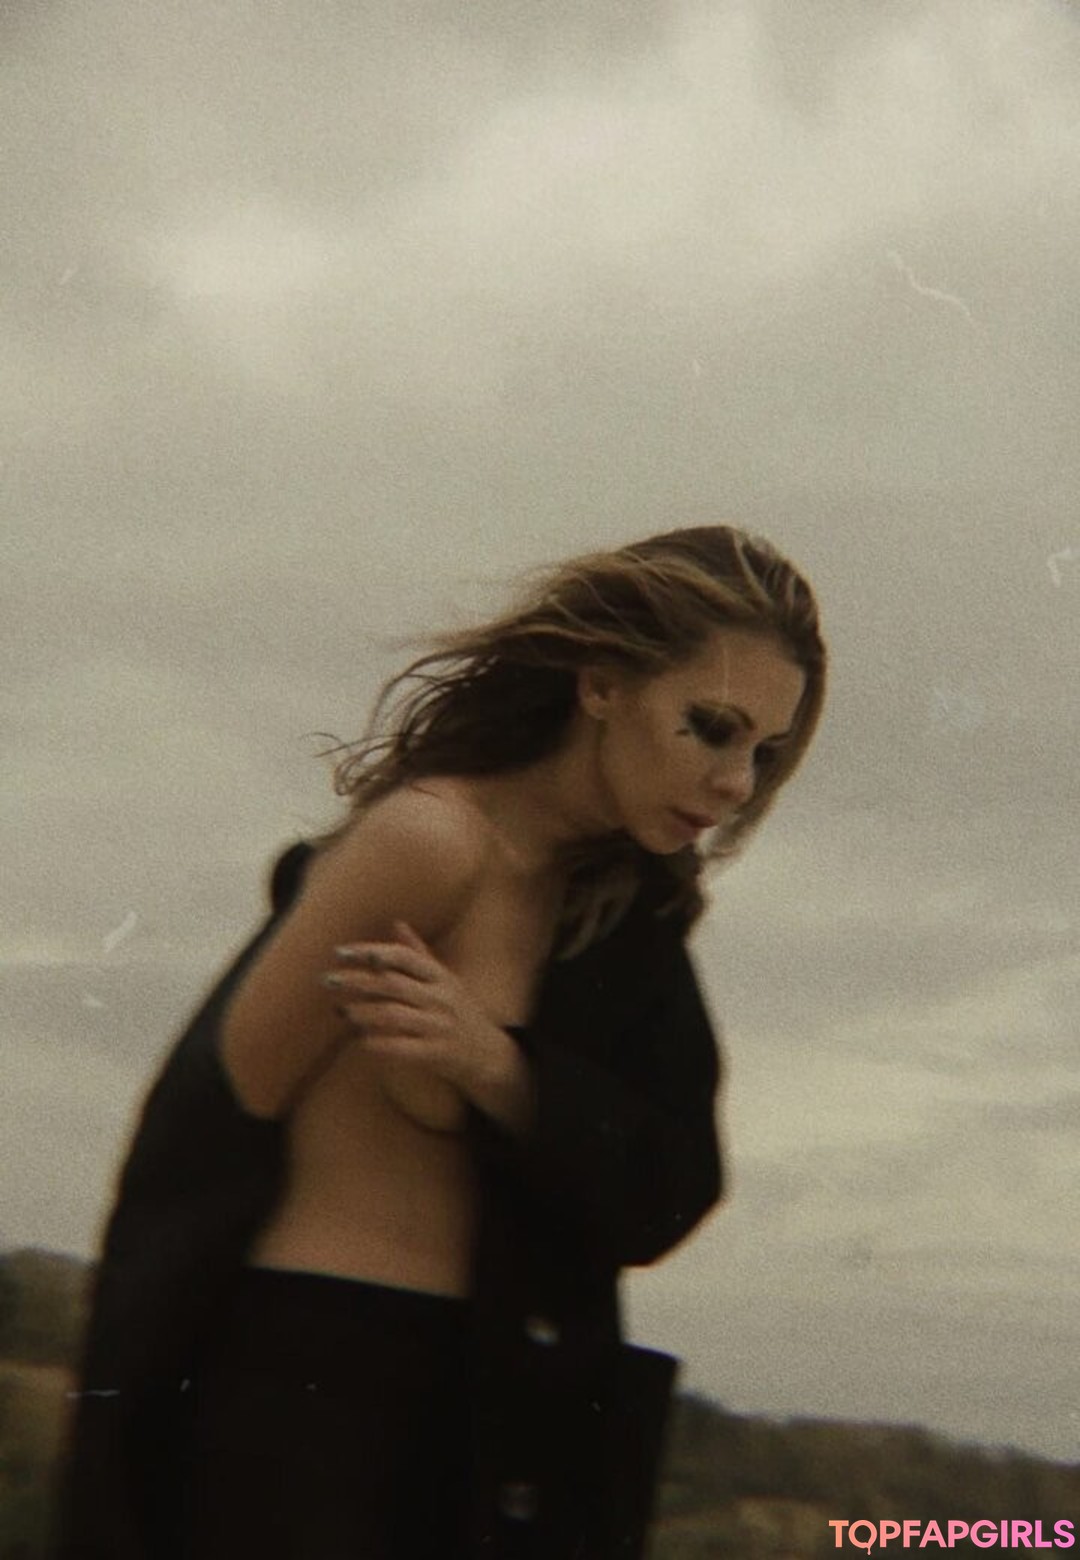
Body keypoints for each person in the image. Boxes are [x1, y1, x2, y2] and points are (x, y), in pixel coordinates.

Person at [51, 524, 826, 1559]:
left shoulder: (623, 918)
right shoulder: (429, 842)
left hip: (497, 1419)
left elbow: (672, 1188)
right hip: (307, 1395)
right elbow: (206, 1127)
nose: (736, 782)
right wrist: (121, 1459)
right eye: (712, 728)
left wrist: (496, 1068)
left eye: (763, 752)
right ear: (602, 685)